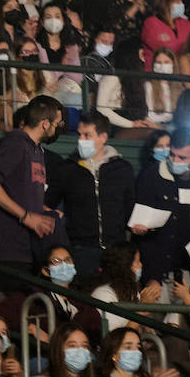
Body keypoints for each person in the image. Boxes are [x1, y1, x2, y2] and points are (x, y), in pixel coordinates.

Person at [0, 96, 66, 283]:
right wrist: (26, 216)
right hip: (6, 249)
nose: (58, 128)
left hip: (26, 247)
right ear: (44, 124)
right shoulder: (16, 144)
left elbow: (20, 191)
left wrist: (43, 211)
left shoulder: (35, 150)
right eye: (57, 124)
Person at [46, 113, 135, 279]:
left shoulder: (122, 168)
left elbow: (130, 206)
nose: (81, 139)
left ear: (103, 137)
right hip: (81, 250)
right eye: (79, 134)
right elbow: (48, 202)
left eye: (87, 135)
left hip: (116, 250)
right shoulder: (67, 169)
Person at [131, 128, 190, 282]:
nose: (175, 161)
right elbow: (139, 215)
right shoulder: (151, 175)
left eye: (182, 158)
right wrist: (138, 229)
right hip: (157, 268)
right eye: (172, 155)